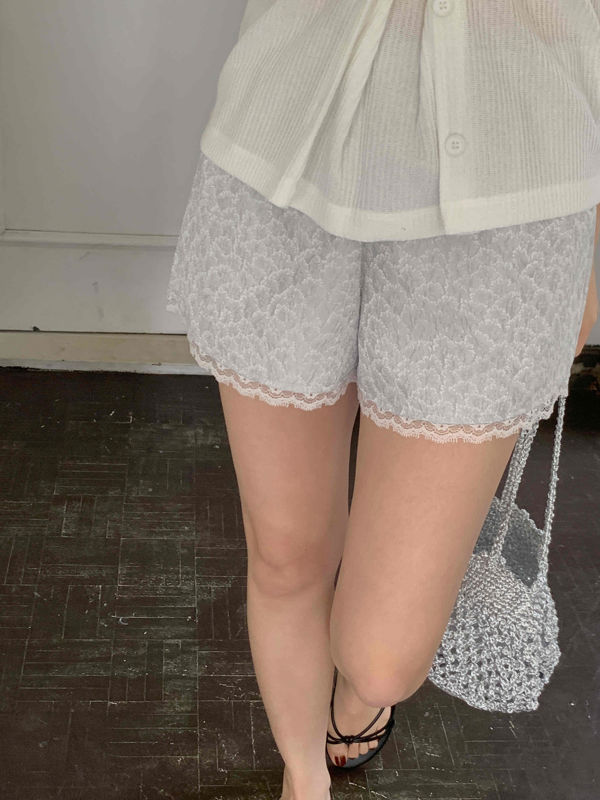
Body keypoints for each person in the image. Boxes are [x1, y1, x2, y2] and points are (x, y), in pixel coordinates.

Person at [166, 3, 600, 798]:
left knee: (381, 659)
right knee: (286, 554)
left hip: (511, 189)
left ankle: (358, 695)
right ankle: (305, 775)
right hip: (287, 154)